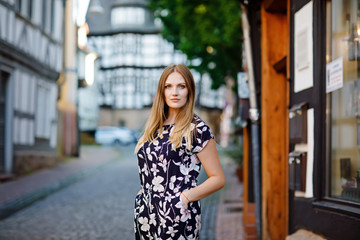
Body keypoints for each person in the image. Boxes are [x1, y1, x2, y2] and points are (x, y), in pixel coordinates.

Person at [134, 64, 225, 239]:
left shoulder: (197, 129)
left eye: (181, 86)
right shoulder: (153, 129)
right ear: (162, 91)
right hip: (146, 215)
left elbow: (218, 179)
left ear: (189, 91)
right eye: (168, 86)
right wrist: (142, 195)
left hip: (178, 216)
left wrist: (184, 199)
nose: (174, 92)